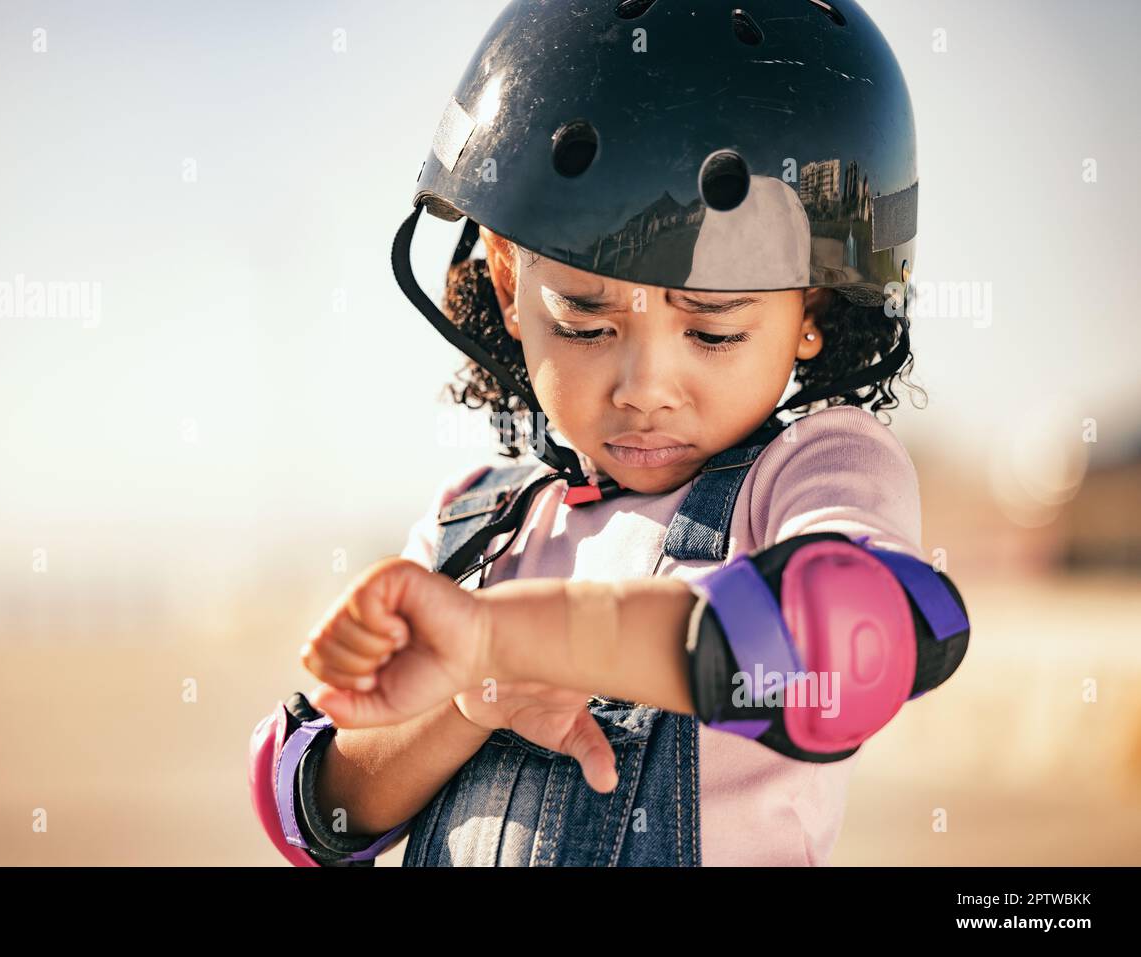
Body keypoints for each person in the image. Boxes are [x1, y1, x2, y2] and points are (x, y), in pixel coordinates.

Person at [248, 0, 969, 867]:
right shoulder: (472, 524)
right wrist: (470, 698)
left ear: (813, 310)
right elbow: (309, 808)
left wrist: (509, 636)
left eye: (713, 331)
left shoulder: (811, 473)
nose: (645, 389)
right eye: (587, 320)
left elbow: (860, 637)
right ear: (510, 282)